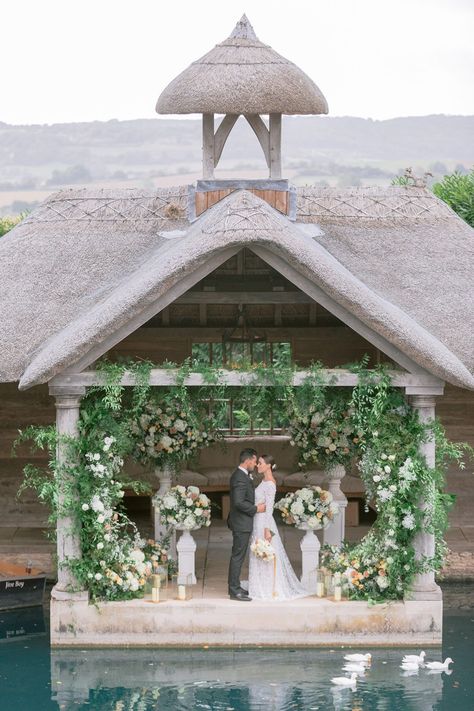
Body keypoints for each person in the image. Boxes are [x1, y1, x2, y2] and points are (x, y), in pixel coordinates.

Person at [248, 454, 309, 600]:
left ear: (269, 465)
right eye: (258, 463)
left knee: (265, 552)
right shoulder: (263, 480)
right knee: (257, 551)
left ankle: (269, 587)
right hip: (258, 520)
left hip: (264, 522)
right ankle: (259, 583)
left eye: (261, 463)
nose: (258, 465)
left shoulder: (270, 483)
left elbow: (269, 509)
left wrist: (267, 529)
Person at [227, 448, 265, 601]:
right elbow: (238, 502)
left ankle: (236, 586)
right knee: (237, 556)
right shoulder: (239, 477)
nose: (255, 465)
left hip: (243, 522)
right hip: (241, 523)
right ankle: (234, 591)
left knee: (239, 556)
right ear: (248, 460)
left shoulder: (243, 476)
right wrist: (257, 509)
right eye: (255, 461)